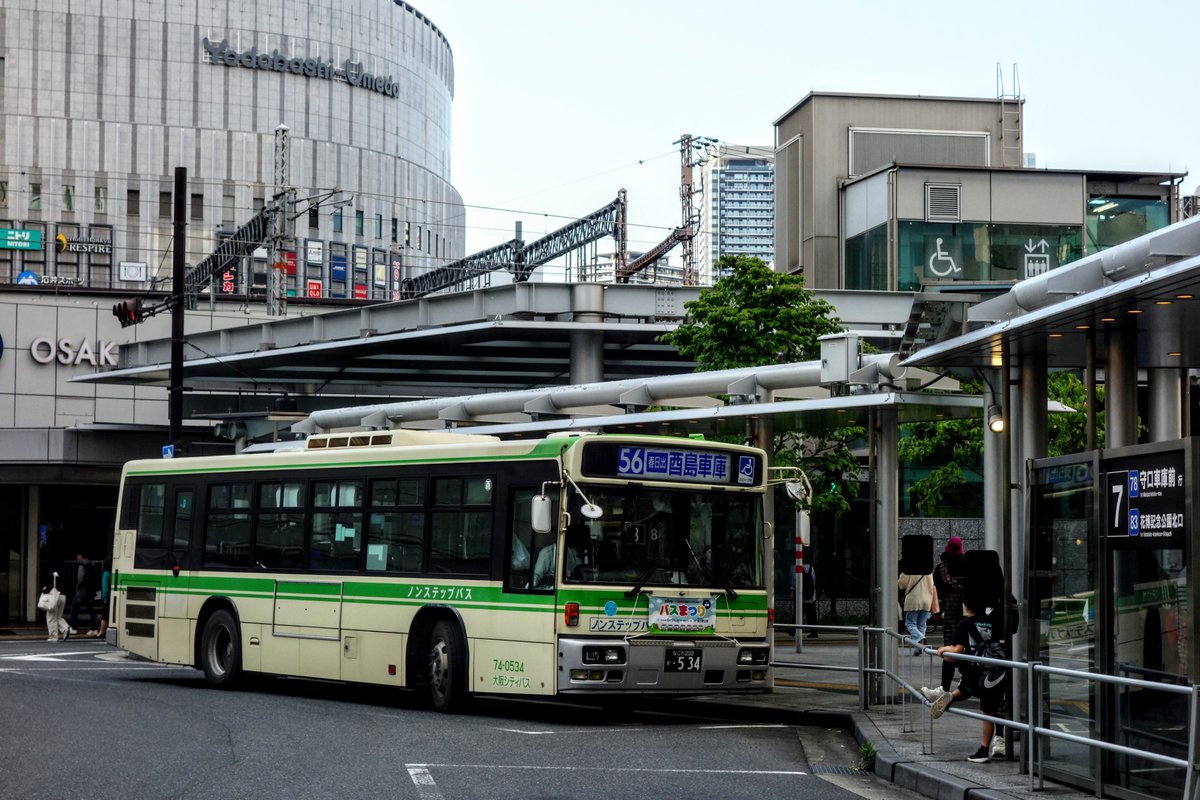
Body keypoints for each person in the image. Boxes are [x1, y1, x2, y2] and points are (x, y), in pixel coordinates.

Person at [924, 598, 1010, 763]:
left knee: (973, 695)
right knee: (989, 709)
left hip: (973, 670)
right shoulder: (992, 622)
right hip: (993, 671)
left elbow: (958, 650)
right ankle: (989, 745)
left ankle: (952, 696)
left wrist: (942, 651)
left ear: (967, 606)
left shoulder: (964, 624)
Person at [933, 537, 966, 690]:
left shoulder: (942, 567)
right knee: (966, 645)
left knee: (950, 647)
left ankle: (945, 688)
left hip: (951, 609)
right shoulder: (966, 565)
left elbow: (943, 584)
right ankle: (964, 683)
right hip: (966, 607)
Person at [898, 568, 938, 655]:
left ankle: (920, 638)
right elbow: (932, 584)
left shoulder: (909, 569)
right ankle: (918, 649)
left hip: (913, 599)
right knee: (921, 625)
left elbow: (901, 584)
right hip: (927, 600)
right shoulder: (928, 570)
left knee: (910, 623)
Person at [68, 553, 97, 634]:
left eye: (77, 556)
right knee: (91, 610)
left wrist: (77, 586)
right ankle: (94, 628)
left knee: (74, 608)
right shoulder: (91, 565)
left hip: (81, 591)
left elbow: (81, 577)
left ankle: (73, 627)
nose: (77, 558)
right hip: (90, 591)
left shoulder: (81, 566)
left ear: (80, 556)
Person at [88, 565, 112, 639]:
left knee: (105, 615)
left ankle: (101, 632)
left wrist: (105, 598)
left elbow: (105, 587)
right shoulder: (112, 572)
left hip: (108, 597)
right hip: (113, 596)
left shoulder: (106, 573)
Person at [800, 562, 818, 638]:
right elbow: (814, 580)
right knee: (812, 616)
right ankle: (814, 632)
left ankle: (794, 630)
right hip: (811, 596)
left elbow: (795, 581)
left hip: (802, 596)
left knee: (798, 614)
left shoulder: (798, 567)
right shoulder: (811, 568)